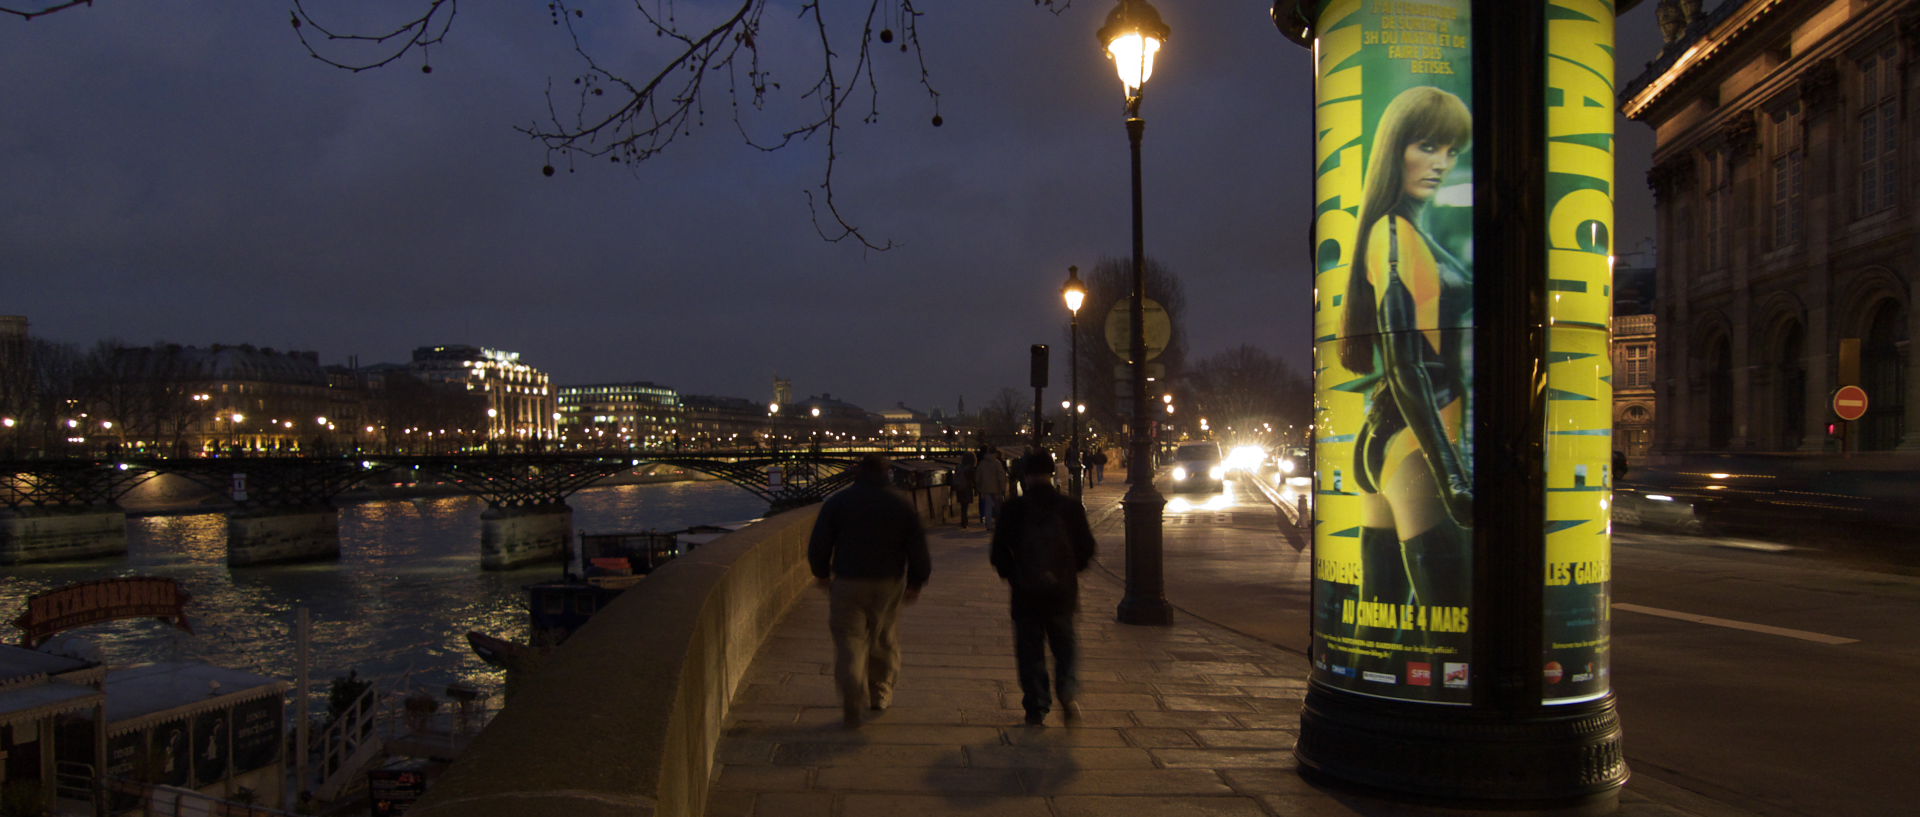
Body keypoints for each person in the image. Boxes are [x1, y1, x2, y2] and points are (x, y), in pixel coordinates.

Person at [1340, 85, 1474, 631]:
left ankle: (1367, 700)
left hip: (1391, 438)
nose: (1440, 163)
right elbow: (1406, 362)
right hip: (1418, 443)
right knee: (1455, 621)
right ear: (1396, 149)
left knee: (1381, 616)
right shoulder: (1394, 232)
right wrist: (1454, 479)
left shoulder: (1400, 231)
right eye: (1427, 147)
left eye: (1451, 152)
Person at [808, 454, 932, 727]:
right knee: (884, 637)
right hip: (888, 581)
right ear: (886, 473)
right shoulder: (900, 503)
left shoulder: (838, 502)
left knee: (849, 640)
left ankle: (853, 689)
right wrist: (916, 581)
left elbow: (820, 541)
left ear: (857, 473)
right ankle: (880, 693)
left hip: (848, 580)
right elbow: (917, 546)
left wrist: (821, 572)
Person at [990, 450, 1096, 726]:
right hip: (1062, 593)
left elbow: (998, 553)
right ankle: (1067, 690)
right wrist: (1067, 573)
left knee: (1030, 650)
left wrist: (1015, 575)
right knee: (1065, 645)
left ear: (1025, 475)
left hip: (1026, 595)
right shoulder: (1070, 507)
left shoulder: (1014, 509)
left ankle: (1036, 706)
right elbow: (1087, 548)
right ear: (1052, 473)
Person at [977, 447, 1009, 528]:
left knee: (988, 507)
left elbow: (977, 477)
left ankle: (988, 525)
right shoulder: (997, 463)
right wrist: (1002, 488)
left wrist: (980, 487)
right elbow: (1001, 477)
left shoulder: (982, 463)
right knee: (998, 507)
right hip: (996, 489)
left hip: (986, 488)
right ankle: (998, 524)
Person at [953, 452, 978, 529]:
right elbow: (972, 479)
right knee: (965, 506)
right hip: (967, 488)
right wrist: (976, 488)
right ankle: (964, 521)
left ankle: (963, 521)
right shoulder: (970, 468)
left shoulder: (958, 466)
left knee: (963, 506)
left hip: (959, 487)